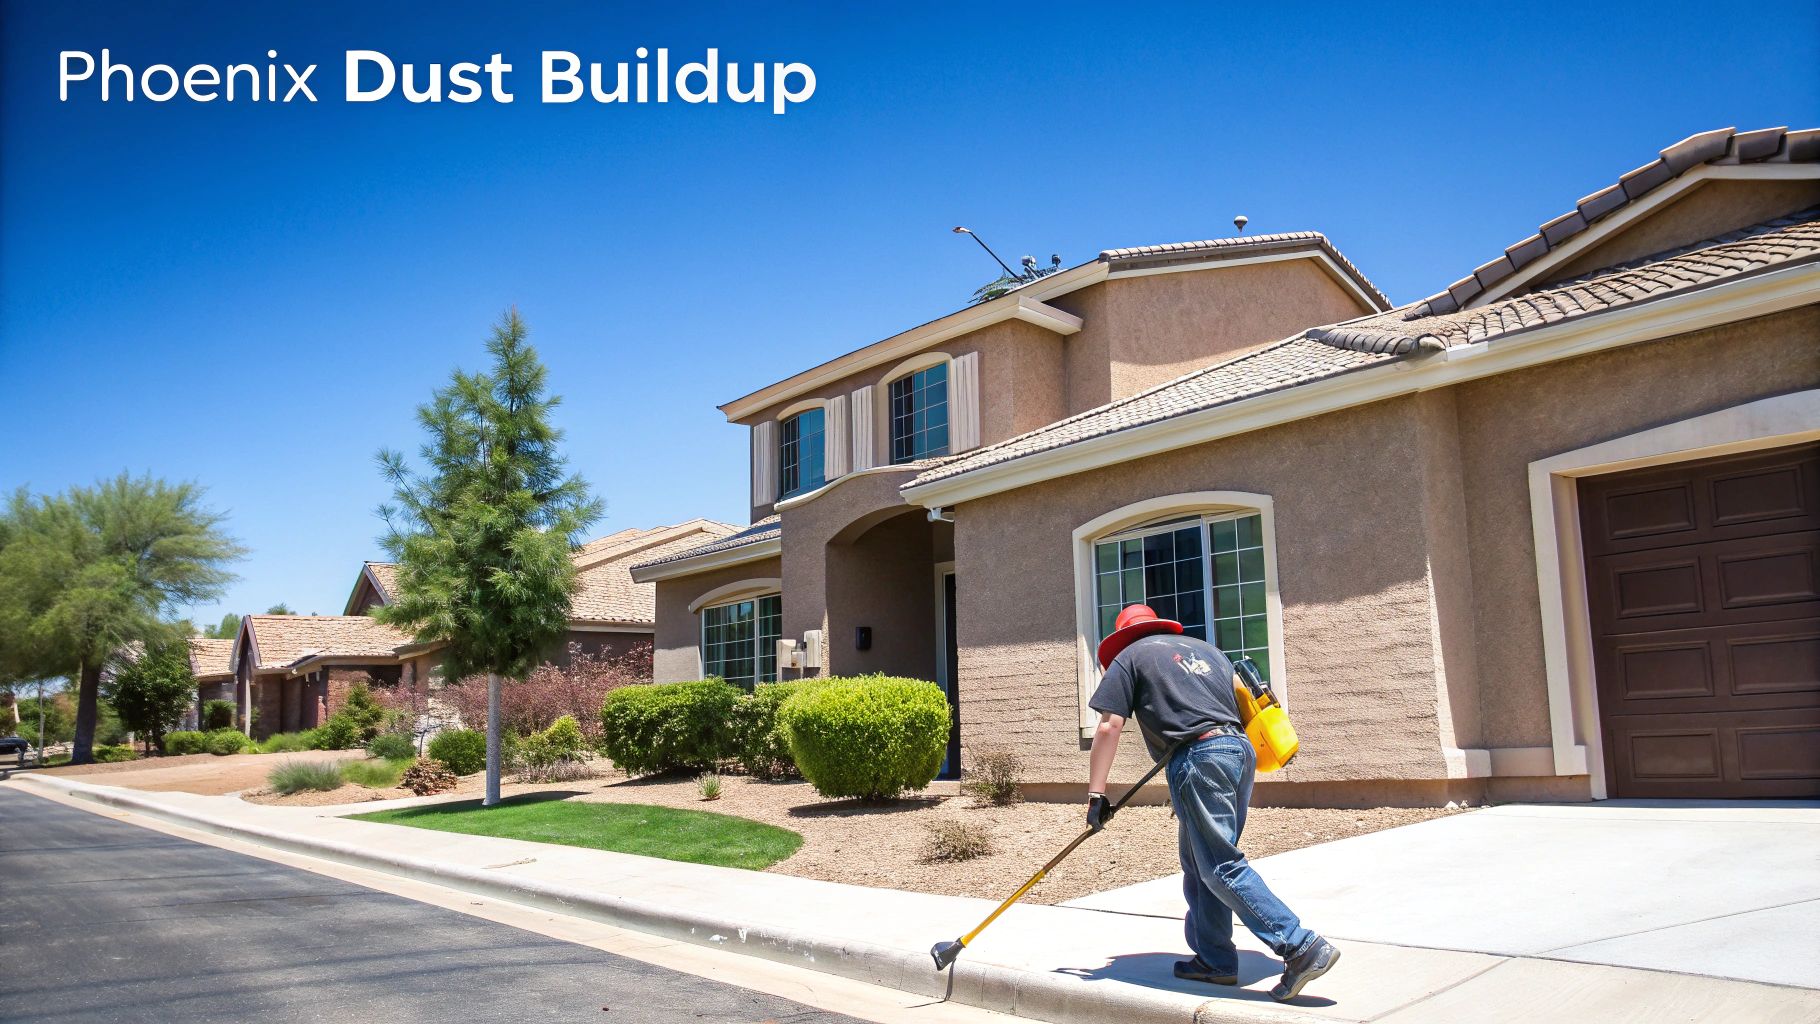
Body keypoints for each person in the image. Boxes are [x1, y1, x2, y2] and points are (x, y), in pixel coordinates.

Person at [1085, 603, 1339, 1002]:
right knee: (1199, 861)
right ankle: (1215, 960)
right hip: (1238, 751)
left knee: (1220, 864)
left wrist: (1097, 795)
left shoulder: (1129, 657)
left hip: (1199, 757)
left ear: (1123, 636)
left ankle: (1300, 945)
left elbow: (1108, 725)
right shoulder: (1208, 651)